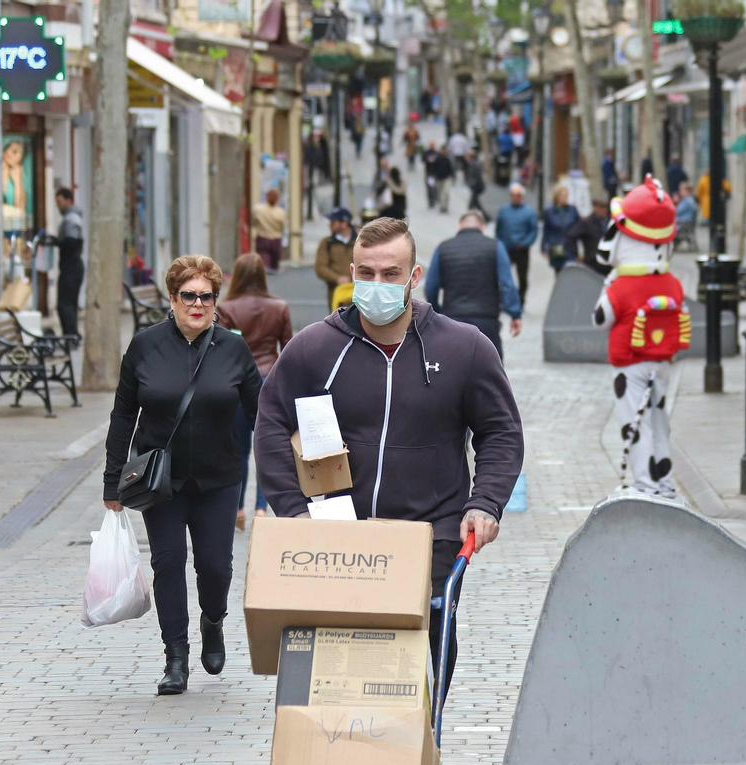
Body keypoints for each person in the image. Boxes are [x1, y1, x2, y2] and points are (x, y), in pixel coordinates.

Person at [253, 217, 524, 694]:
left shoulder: (464, 348)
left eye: (390, 274)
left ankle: (421, 743)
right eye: (367, 274)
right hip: (338, 535)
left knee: (425, 646)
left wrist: (485, 502)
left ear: (414, 277)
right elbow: (271, 422)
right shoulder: (315, 348)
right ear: (351, 273)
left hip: (432, 531)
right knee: (343, 657)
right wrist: (295, 512)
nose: (377, 285)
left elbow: (500, 430)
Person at [103, 255, 263, 695]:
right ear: (172, 299)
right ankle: (176, 657)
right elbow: (122, 416)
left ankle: (213, 621)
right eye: (188, 296)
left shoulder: (233, 348)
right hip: (161, 482)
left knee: (215, 566)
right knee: (168, 564)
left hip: (220, 478)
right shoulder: (145, 346)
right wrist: (112, 481)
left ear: (216, 300)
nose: (197, 304)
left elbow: (261, 412)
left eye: (206, 296)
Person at [592, 176, 688, 497]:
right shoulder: (672, 282)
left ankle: (645, 485)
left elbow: (600, 319)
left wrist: (609, 285)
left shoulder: (622, 286)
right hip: (662, 362)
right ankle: (665, 481)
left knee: (634, 424)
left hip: (629, 362)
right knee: (660, 421)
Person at [217, 253, 293, 529]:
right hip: (270, 381)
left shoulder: (227, 308)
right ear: (263, 276)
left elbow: (221, 353)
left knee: (239, 450)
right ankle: (262, 508)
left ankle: (237, 508)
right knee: (267, 447)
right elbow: (289, 349)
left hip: (238, 384)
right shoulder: (279, 307)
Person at [424, 210, 523, 359]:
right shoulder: (495, 247)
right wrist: (515, 313)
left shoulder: (443, 248)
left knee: (453, 371)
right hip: (486, 321)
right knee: (489, 373)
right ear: (482, 227)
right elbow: (507, 284)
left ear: (459, 225)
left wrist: (438, 313)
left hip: (452, 320)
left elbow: (431, 286)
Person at [43, 188, 85, 337]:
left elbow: (72, 243)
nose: (58, 206)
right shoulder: (72, 218)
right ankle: (72, 334)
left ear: (69, 201)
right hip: (72, 266)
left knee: (65, 304)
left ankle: (71, 335)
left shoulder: (71, 219)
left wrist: (56, 241)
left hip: (71, 267)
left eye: (60, 202)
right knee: (69, 303)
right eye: (57, 203)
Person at [496, 184, 539, 307]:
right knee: (503, 275)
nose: (515, 198)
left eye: (518, 195)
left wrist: (525, 243)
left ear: (522, 197)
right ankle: (504, 299)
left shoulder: (528, 212)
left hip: (521, 250)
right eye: (513, 195)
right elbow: (499, 228)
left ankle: (521, 298)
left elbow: (533, 231)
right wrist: (500, 242)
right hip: (506, 248)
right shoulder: (504, 210)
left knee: (522, 276)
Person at [314, 206, 355, 302]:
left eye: (333, 222)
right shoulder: (327, 243)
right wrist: (337, 279)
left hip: (357, 291)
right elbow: (320, 267)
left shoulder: (359, 242)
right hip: (335, 292)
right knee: (337, 316)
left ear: (344, 224)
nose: (330, 225)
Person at [567, 197, 614, 277]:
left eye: (605, 208)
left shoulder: (610, 222)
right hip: (593, 262)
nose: (604, 211)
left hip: (609, 262)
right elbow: (571, 235)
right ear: (595, 208)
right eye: (601, 208)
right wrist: (576, 254)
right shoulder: (587, 223)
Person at [541, 184, 581, 272]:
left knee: (571, 272)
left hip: (571, 246)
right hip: (556, 246)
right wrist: (544, 247)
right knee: (559, 273)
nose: (565, 198)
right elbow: (546, 230)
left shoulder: (572, 210)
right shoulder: (549, 212)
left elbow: (579, 228)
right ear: (557, 196)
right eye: (563, 195)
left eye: (566, 196)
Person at [251, 188, 286, 271]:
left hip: (262, 239)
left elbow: (254, 223)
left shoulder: (258, 210)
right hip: (276, 240)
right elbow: (282, 227)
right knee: (274, 266)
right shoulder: (280, 213)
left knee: (263, 264)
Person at [428, 144, 456, 213]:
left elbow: (451, 168)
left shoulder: (447, 159)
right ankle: (441, 206)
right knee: (439, 193)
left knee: (446, 192)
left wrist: (453, 177)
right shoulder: (437, 159)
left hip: (446, 178)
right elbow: (433, 168)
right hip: (438, 178)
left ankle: (445, 206)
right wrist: (433, 177)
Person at [465, 151, 487, 216]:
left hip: (476, 187)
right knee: (476, 204)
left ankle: (485, 217)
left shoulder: (473, 165)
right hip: (477, 187)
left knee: (472, 204)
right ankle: (485, 217)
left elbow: (474, 177)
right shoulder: (475, 164)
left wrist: (471, 185)